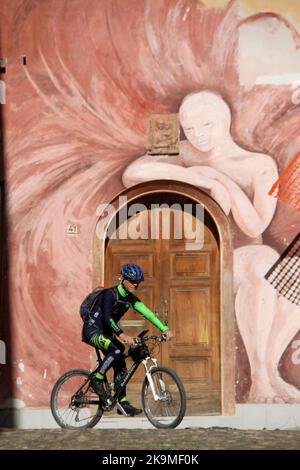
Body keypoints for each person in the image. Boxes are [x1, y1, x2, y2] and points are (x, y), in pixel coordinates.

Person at [122, 90, 300, 403]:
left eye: (207, 126)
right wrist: (200, 178)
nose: (199, 136)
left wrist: (223, 181)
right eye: (190, 129)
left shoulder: (257, 165)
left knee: (288, 271)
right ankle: (261, 381)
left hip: (245, 254)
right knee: (264, 261)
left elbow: (254, 226)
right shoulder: (184, 153)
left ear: (225, 122)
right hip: (202, 256)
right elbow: (133, 172)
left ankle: (267, 372)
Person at [82, 263, 173, 416]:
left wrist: (164, 329)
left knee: (121, 363)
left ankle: (122, 402)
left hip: (106, 333)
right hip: (92, 331)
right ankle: (97, 379)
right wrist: (122, 335)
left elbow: (148, 314)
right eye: (132, 281)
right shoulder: (109, 294)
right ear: (123, 279)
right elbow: (107, 319)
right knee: (117, 348)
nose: (135, 284)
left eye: (138, 282)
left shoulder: (131, 299)